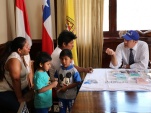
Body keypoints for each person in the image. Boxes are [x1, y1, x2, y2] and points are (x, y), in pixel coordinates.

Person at [0, 37, 33, 112]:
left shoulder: (22, 56)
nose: (29, 47)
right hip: (6, 92)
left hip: (17, 91)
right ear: (19, 50)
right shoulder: (14, 59)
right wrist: (20, 98)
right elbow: (16, 79)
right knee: (20, 109)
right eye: (26, 46)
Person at [54, 49, 82, 113]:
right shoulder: (58, 69)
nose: (63, 61)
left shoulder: (74, 70)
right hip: (61, 96)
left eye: (66, 59)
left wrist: (66, 87)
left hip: (71, 96)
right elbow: (56, 79)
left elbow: (78, 82)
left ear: (71, 59)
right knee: (62, 111)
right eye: (62, 59)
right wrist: (57, 86)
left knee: (71, 110)